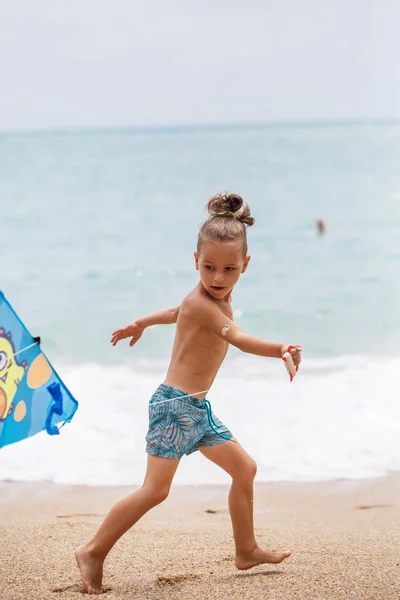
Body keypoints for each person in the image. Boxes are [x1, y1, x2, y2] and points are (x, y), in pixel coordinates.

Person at [75, 192, 302, 595]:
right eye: (209, 267)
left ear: (245, 266)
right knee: (155, 491)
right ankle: (92, 550)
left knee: (244, 469)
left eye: (229, 269)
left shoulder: (206, 299)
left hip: (196, 408)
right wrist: (279, 348)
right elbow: (240, 338)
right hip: (174, 408)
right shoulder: (204, 304)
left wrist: (139, 323)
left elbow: (173, 312)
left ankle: (246, 549)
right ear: (195, 260)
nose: (217, 277)